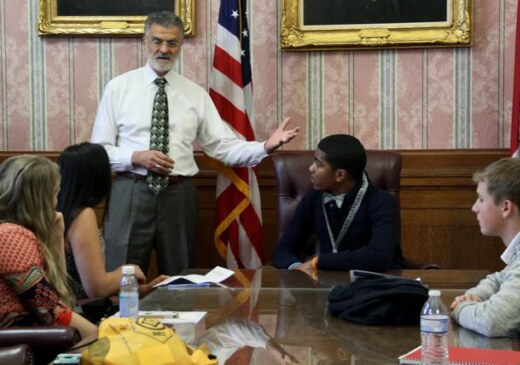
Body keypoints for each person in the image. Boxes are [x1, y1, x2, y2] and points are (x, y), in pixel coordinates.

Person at [90, 10, 298, 275]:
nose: (164, 49)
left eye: (172, 43)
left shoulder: (195, 94)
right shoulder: (118, 88)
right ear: (145, 42)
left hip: (179, 195)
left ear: (180, 46)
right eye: (157, 41)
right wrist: (136, 157)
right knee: (124, 279)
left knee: (181, 280)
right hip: (130, 190)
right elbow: (99, 151)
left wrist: (264, 146)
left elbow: (222, 146)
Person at [272, 134, 404, 272]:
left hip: (375, 285)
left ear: (340, 175)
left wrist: (319, 262)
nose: (310, 169)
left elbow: (379, 257)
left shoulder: (382, 202)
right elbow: (284, 248)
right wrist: (296, 267)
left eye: (318, 164)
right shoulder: (314, 197)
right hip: (328, 284)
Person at [0, 155, 96, 344]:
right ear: (40, 200)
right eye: (55, 194)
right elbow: (51, 311)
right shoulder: (11, 237)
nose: (56, 202)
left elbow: (60, 299)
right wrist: (101, 336)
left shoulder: (14, 232)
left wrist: (57, 236)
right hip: (15, 342)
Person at [57, 142, 167, 301]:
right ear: (98, 177)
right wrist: (127, 271)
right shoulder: (82, 215)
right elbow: (96, 288)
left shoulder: (62, 209)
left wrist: (145, 290)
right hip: (85, 312)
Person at [450, 157, 520, 337]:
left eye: (481, 199)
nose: (474, 208)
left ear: (506, 207)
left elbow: (492, 321)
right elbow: (501, 278)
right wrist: (477, 296)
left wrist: (461, 308)